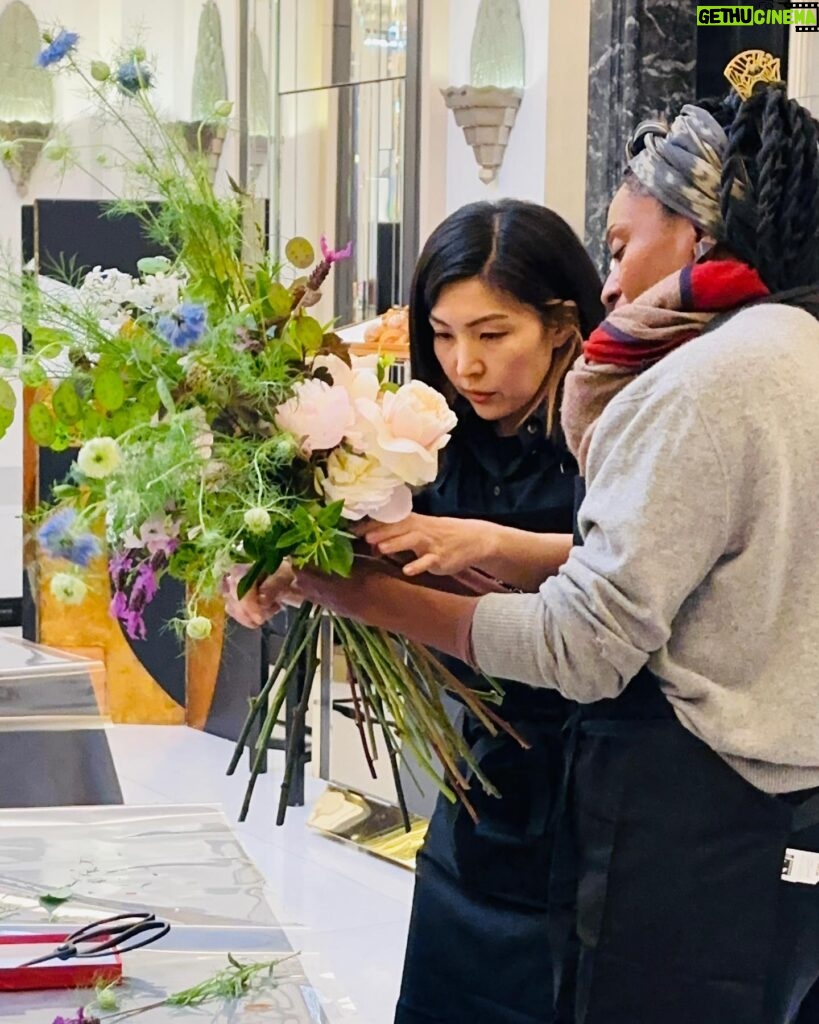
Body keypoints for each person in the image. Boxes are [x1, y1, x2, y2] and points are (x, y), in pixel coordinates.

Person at [285, 72, 819, 1023]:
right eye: (444, 336)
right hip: (724, 823)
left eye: (620, 246)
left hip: (691, 823)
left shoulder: (700, 383)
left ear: (698, 232)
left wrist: (348, 592)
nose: (614, 280)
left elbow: (584, 642)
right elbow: (689, 576)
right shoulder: (790, 347)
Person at [229, 198, 603, 1023]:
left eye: (492, 334)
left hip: (602, 800)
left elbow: (627, 582)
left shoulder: (614, 433)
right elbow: (361, 563)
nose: (464, 364)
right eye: (442, 334)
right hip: (478, 796)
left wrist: (492, 548)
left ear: (560, 324)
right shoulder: (423, 445)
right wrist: (282, 566)